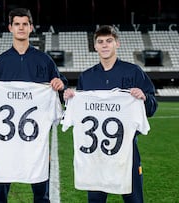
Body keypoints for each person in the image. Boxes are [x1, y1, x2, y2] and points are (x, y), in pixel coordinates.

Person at [0, 8, 67, 203]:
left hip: (36, 141)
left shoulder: (44, 60)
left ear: (31, 27)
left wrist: (60, 86)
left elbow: (60, 87)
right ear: (10, 28)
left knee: (41, 192)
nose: (21, 28)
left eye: (25, 24)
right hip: (5, 141)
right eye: (17, 24)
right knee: (0, 192)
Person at [63, 25, 158, 203]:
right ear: (95, 47)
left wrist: (144, 98)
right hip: (95, 153)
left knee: (134, 199)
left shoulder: (133, 72)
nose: (105, 45)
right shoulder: (87, 76)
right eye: (100, 42)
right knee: (96, 200)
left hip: (127, 150)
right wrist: (69, 99)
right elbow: (79, 114)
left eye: (109, 41)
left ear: (117, 44)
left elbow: (152, 107)